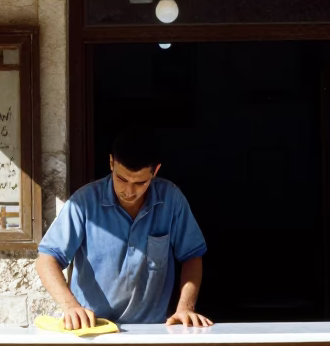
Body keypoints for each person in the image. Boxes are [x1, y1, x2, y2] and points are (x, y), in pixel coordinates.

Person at [36, 129, 213, 329]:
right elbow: (46, 260)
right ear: (111, 163)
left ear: (155, 171)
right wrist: (70, 307)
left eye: (140, 183)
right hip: (92, 329)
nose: (129, 191)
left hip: (152, 331)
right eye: (121, 179)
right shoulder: (84, 202)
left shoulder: (171, 200)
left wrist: (185, 308)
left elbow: (192, 256)